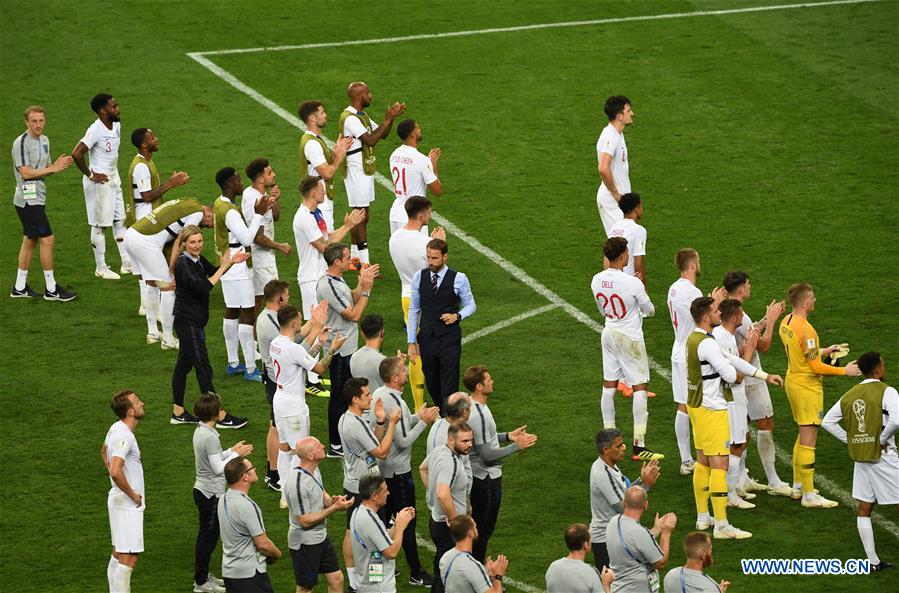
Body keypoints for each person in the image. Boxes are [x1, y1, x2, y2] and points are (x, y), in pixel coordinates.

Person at [687, 297, 782, 539]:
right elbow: (732, 375)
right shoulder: (708, 344)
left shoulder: (695, 338)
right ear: (707, 317)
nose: (719, 313)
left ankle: (702, 517)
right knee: (719, 465)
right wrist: (741, 374)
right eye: (715, 311)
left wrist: (763, 374)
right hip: (712, 409)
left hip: (697, 407)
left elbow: (732, 359)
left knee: (702, 462)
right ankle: (721, 525)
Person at [779, 282, 862, 507]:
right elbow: (816, 367)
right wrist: (845, 370)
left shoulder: (786, 321)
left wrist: (824, 350)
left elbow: (802, 351)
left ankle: (798, 487)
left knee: (802, 432)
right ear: (804, 302)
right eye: (812, 298)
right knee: (809, 438)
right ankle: (809, 495)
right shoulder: (808, 330)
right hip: (807, 387)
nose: (815, 300)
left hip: (792, 380)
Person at [822, 351, 898, 572]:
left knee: (864, 508)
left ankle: (873, 562)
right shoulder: (887, 391)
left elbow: (827, 422)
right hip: (883, 456)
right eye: (882, 365)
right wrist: (880, 439)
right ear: (877, 369)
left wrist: (853, 441)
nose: (884, 368)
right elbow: (896, 419)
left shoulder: (850, 393)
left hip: (861, 458)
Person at [370, 356, 441, 586]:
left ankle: (376, 573)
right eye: (402, 370)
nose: (406, 372)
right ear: (394, 378)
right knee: (407, 520)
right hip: (397, 473)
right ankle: (416, 572)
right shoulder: (395, 402)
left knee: (380, 524)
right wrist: (423, 423)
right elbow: (402, 441)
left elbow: (398, 425)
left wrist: (416, 417)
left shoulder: (380, 395)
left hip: (382, 472)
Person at [170, 224, 248, 429]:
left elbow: (213, 272)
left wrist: (231, 262)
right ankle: (219, 416)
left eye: (200, 241)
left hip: (191, 321)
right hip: (189, 323)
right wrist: (224, 266)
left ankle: (177, 412)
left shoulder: (195, 259)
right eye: (193, 242)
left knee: (183, 366)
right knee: (203, 367)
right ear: (184, 244)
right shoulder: (184, 264)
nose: (197, 246)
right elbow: (205, 287)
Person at [292, 175, 364, 396]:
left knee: (324, 327)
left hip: (319, 275)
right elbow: (325, 247)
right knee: (316, 327)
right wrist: (349, 225)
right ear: (313, 192)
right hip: (311, 279)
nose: (324, 193)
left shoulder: (315, 213)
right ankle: (311, 378)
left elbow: (329, 236)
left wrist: (345, 227)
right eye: (321, 190)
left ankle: (318, 372)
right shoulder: (304, 217)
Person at [723, 270, 791, 496]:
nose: (750, 287)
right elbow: (763, 345)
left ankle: (742, 480)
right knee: (766, 425)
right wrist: (771, 323)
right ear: (741, 289)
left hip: (736, 378)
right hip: (751, 378)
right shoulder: (739, 314)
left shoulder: (727, 310)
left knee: (742, 430)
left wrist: (764, 320)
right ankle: (773, 481)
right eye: (748, 284)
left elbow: (748, 330)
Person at [592, 237, 660, 461]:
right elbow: (650, 310)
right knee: (640, 388)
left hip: (608, 333)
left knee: (609, 386)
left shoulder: (596, 280)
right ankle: (639, 446)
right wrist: (638, 292)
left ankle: (608, 437)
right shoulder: (632, 283)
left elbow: (603, 311)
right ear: (622, 256)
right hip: (629, 338)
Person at [271, 304, 345, 507]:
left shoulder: (276, 343)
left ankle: (285, 495)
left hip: (280, 402)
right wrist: (331, 348)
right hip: (294, 409)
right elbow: (319, 368)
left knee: (285, 448)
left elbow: (300, 355)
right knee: (301, 452)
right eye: (300, 319)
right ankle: (298, 493)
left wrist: (318, 340)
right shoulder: (291, 348)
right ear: (294, 323)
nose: (302, 321)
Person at [464, 365, 537, 562]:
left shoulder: (478, 406)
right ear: (479, 386)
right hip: (484, 478)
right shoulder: (477, 414)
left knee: (484, 529)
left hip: (486, 476)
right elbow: (487, 454)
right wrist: (517, 447)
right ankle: (476, 571)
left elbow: (484, 439)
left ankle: (475, 569)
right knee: (482, 530)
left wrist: (508, 436)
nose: (493, 381)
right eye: (489, 379)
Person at [338, 377, 402, 592]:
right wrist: (392, 423)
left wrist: (381, 422)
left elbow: (371, 444)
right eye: (366, 395)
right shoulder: (355, 424)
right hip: (364, 486)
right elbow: (381, 452)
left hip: (354, 481)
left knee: (353, 532)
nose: (371, 397)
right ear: (355, 399)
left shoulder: (347, 418)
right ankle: (368, 581)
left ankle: (358, 581)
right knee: (373, 538)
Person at [317, 242, 380, 458]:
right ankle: (335, 444)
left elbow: (350, 298)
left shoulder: (336, 279)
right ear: (336, 262)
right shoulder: (328, 285)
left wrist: (362, 284)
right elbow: (353, 315)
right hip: (339, 349)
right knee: (338, 395)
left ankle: (344, 436)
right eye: (346, 258)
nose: (349, 260)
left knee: (345, 394)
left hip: (346, 346)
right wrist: (367, 292)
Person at [124, 198, 213, 348]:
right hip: (146, 241)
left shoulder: (189, 201)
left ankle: (152, 333)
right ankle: (168, 338)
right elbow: (181, 239)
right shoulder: (198, 213)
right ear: (210, 214)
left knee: (152, 283)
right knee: (168, 287)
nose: (208, 227)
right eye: (212, 224)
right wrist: (171, 269)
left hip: (131, 234)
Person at [10, 105, 75, 301]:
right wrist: (52, 169)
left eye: (41, 120)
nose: (38, 125)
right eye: (34, 121)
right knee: (47, 239)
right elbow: (26, 172)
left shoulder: (45, 140)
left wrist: (56, 165)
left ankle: (20, 287)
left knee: (30, 239)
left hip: (38, 196)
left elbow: (43, 166)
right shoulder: (20, 143)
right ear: (26, 122)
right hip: (27, 198)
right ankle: (51, 289)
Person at [213, 166, 270, 382]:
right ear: (229, 184)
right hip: (238, 267)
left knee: (231, 310)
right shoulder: (229, 211)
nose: (241, 183)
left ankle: (233, 363)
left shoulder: (220, 203)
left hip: (227, 266)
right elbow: (246, 239)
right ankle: (249, 368)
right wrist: (258, 215)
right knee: (247, 313)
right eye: (237, 180)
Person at [338, 81, 406, 263]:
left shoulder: (362, 115)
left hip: (364, 167)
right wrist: (386, 119)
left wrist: (390, 119)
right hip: (356, 168)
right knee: (360, 214)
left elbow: (381, 133)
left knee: (361, 214)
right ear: (359, 97)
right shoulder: (351, 118)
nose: (371, 96)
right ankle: (365, 263)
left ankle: (354, 259)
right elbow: (370, 140)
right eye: (368, 93)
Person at [388, 196, 446, 409]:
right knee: (423, 351)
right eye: (429, 212)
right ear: (421, 214)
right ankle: (421, 405)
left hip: (406, 295)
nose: (430, 215)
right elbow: (438, 273)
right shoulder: (425, 244)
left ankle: (418, 403)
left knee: (415, 347)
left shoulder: (394, 238)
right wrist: (440, 245)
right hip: (425, 300)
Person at [192, 393, 253, 593]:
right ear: (213, 413)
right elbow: (218, 468)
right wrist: (237, 455)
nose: (222, 411)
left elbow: (215, 458)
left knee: (208, 536)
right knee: (207, 538)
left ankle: (203, 577)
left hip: (205, 490)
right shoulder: (209, 436)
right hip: (210, 494)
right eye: (219, 409)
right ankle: (200, 582)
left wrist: (230, 450)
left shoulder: (202, 431)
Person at [407, 238, 476, 414]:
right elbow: (414, 310)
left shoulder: (459, 279)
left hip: (449, 339)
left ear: (445, 256)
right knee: (432, 381)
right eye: (428, 257)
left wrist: (457, 316)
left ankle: (448, 418)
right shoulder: (418, 277)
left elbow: (470, 305)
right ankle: (445, 412)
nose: (430, 262)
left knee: (449, 383)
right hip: (427, 339)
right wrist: (411, 342)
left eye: (435, 258)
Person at [126, 127, 189, 321]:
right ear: (144, 144)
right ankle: (158, 311)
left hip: (143, 221)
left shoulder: (145, 162)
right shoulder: (142, 166)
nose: (157, 139)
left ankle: (145, 306)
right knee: (155, 269)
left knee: (145, 270)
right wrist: (172, 184)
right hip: (147, 222)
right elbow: (146, 196)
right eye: (153, 137)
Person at [711, 299, 766, 508]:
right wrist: (750, 349)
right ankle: (730, 495)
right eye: (741, 314)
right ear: (734, 317)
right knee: (736, 444)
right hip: (732, 397)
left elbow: (735, 361)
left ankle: (735, 489)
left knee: (740, 441)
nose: (743, 317)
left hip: (735, 397)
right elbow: (736, 376)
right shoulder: (722, 338)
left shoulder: (725, 336)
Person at [71, 93, 131, 278]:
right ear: (103, 111)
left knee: (120, 220)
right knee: (100, 225)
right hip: (100, 184)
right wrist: (91, 174)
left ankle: (127, 263)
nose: (118, 109)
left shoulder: (117, 125)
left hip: (114, 179)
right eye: (114, 106)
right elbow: (77, 153)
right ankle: (101, 267)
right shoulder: (96, 130)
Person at [285, 436, 355, 593]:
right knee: (306, 588)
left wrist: (333, 501)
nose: (323, 445)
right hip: (305, 543)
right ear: (310, 456)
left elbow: (322, 494)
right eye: (318, 446)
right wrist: (333, 509)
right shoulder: (297, 484)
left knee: (337, 579)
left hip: (321, 537)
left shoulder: (314, 471)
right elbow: (304, 521)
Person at [589, 429, 660, 573]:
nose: (624, 448)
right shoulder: (603, 473)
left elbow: (626, 494)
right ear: (606, 450)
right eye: (619, 446)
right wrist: (646, 485)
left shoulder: (609, 465)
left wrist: (641, 480)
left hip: (614, 535)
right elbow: (624, 508)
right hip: (606, 540)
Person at [101, 390, 146, 593]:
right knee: (129, 557)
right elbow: (115, 469)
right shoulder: (125, 436)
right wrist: (132, 493)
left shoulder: (115, 428)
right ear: (130, 411)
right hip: (127, 504)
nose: (142, 403)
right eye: (137, 402)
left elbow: (103, 451)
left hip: (117, 500)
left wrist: (116, 482)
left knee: (119, 554)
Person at [422, 421, 474, 593]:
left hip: (438, 520)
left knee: (442, 566)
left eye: (470, 440)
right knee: (447, 574)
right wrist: (456, 520)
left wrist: (432, 493)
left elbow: (423, 468)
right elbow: (443, 494)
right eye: (465, 441)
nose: (470, 445)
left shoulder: (439, 451)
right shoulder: (450, 462)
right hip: (448, 528)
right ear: (451, 440)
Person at [666, 249, 705, 474]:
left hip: (677, 349)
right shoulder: (692, 291)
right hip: (691, 354)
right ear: (692, 265)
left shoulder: (673, 288)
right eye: (697, 262)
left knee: (683, 406)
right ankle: (700, 457)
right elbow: (706, 320)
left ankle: (686, 460)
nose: (699, 265)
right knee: (697, 405)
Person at [218, 457, 281, 592]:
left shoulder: (222, 499)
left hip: (229, 572)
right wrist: (277, 554)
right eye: (252, 468)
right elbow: (263, 544)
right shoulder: (247, 505)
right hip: (249, 575)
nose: (255, 469)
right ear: (245, 477)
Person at [349, 474, 417, 593]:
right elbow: (391, 552)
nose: (389, 493)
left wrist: (397, 522)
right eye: (385, 491)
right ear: (374, 496)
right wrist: (401, 528)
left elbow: (381, 540)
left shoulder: (358, 512)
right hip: (378, 588)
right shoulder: (370, 520)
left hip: (370, 579)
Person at [241, 158, 291, 312]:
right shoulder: (253, 199)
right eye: (270, 172)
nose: (274, 175)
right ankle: (256, 335)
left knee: (263, 301)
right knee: (269, 301)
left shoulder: (260, 195)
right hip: (260, 259)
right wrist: (280, 246)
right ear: (260, 179)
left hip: (265, 258)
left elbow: (275, 217)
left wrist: (274, 199)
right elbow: (258, 237)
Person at [605, 486, 675, 593]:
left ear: (624, 502)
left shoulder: (613, 522)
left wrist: (656, 529)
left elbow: (634, 542)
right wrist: (666, 533)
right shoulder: (639, 532)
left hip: (617, 587)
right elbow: (661, 563)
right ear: (645, 505)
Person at [256, 279, 289, 491]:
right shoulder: (270, 322)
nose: (289, 298)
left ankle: (274, 471)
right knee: (277, 428)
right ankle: (274, 474)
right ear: (279, 298)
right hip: (276, 380)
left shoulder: (267, 317)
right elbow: (290, 345)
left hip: (274, 377)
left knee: (276, 426)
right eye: (287, 295)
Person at [298, 100, 352, 231]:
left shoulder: (315, 140)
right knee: (327, 244)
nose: (325, 115)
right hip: (318, 201)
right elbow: (327, 173)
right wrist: (339, 158)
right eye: (321, 113)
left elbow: (325, 165)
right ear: (312, 118)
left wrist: (337, 152)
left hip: (319, 199)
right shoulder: (312, 144)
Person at [388, 119, 442, 234]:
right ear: (413, 134)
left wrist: (426, 163)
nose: (420, 129)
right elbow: (437, 190)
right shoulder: (421, 160)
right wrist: (433, 167)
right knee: (420, 252)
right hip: (414, 217)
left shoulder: (394, 155)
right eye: (417, 128)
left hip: (396, 214)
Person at [595, 95, 634, 236]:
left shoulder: (618, 134)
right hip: (613, 202)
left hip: (620, 201)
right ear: (620, 116)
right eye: (628, 110)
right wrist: (616, 194)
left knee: (622, 246)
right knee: (620, 247)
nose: (632, 113)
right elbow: (603, 168)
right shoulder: (610, 136)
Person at [440, 515, 507, 593]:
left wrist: (487, 574)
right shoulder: (472, 566)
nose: (476, 529)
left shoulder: (445, 557)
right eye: (474, 526)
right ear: (470, 533)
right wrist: (497, 576)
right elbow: (470, 571)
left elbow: (463, 582)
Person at [546, 523, 614, 593]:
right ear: (586, 545)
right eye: (590, 540)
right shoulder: (590, 573)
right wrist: (606, 584)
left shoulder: (553, 567)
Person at [662, 532, 730, 593]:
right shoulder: (709, 587)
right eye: (710, 548)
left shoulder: (670, 576)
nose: (711, 552)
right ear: (703, 554)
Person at [608, 193, 646, 283]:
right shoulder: (639, 230)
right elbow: (638, 265)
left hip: (615, 281)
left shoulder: (614, 228)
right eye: (641, 206)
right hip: (629, 282)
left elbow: (607, 259)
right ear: (636, 209)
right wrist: (644, 289)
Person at [351, 314, 388, 392]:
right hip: (379, 403)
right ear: (382, 333)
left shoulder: (354, 357)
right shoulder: (382, 361)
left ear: (362, 334)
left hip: (362, 402)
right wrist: (397, 365)